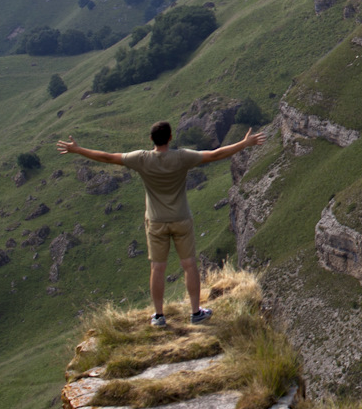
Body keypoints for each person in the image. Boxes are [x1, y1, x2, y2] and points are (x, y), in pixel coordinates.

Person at [58, 120, 266, 326]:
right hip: (181, 218)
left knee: (157, 268)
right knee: (189, 265)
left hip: (156, 221)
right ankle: (196, 312)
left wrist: (78, 150)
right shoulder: (181, 157)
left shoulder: (141, 159)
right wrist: (244, 143)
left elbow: (107, 157)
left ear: (151, 139)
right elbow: (216, 154)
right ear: (170, 137)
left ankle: (159, 316)